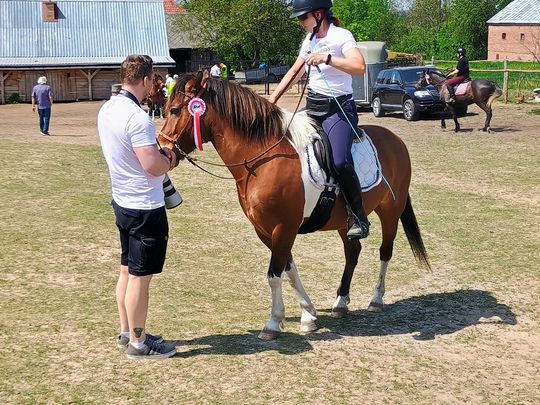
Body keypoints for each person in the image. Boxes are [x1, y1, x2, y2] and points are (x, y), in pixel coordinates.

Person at [97, 55, 178, 359]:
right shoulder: (137, 118)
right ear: (145, 80)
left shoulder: (107, 109)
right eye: (153, 79)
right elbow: (152, 166)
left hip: (122, 202)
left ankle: (127, 331)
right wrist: (169, 159)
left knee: (127, 271)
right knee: (140, 280)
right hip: (145, 207)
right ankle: (139, 343)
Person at [268, 0, 369, 240]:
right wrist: (271, 100)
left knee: (339, 161)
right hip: (313, 109)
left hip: (338, 110)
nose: (300, 22)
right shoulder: (309, 40)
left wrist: (327, 58)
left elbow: (359, 67)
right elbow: (295, 71)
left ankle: (359, 217)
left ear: (319, 14)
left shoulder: (341, 35)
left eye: (303, 17)